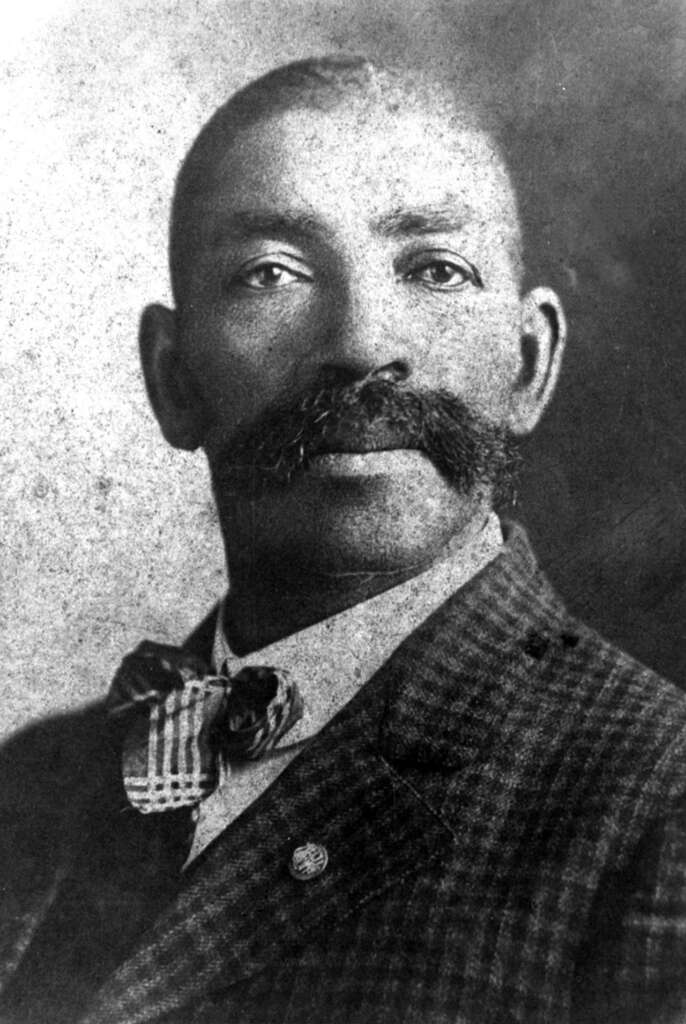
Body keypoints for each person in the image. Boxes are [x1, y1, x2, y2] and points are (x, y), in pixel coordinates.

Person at [1, 55, 685, 1024]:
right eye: (270, 273)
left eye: (433, 268)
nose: (360, 342)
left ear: (526, 363)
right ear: (172, 375)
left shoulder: (655, 797)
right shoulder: (34, 783)